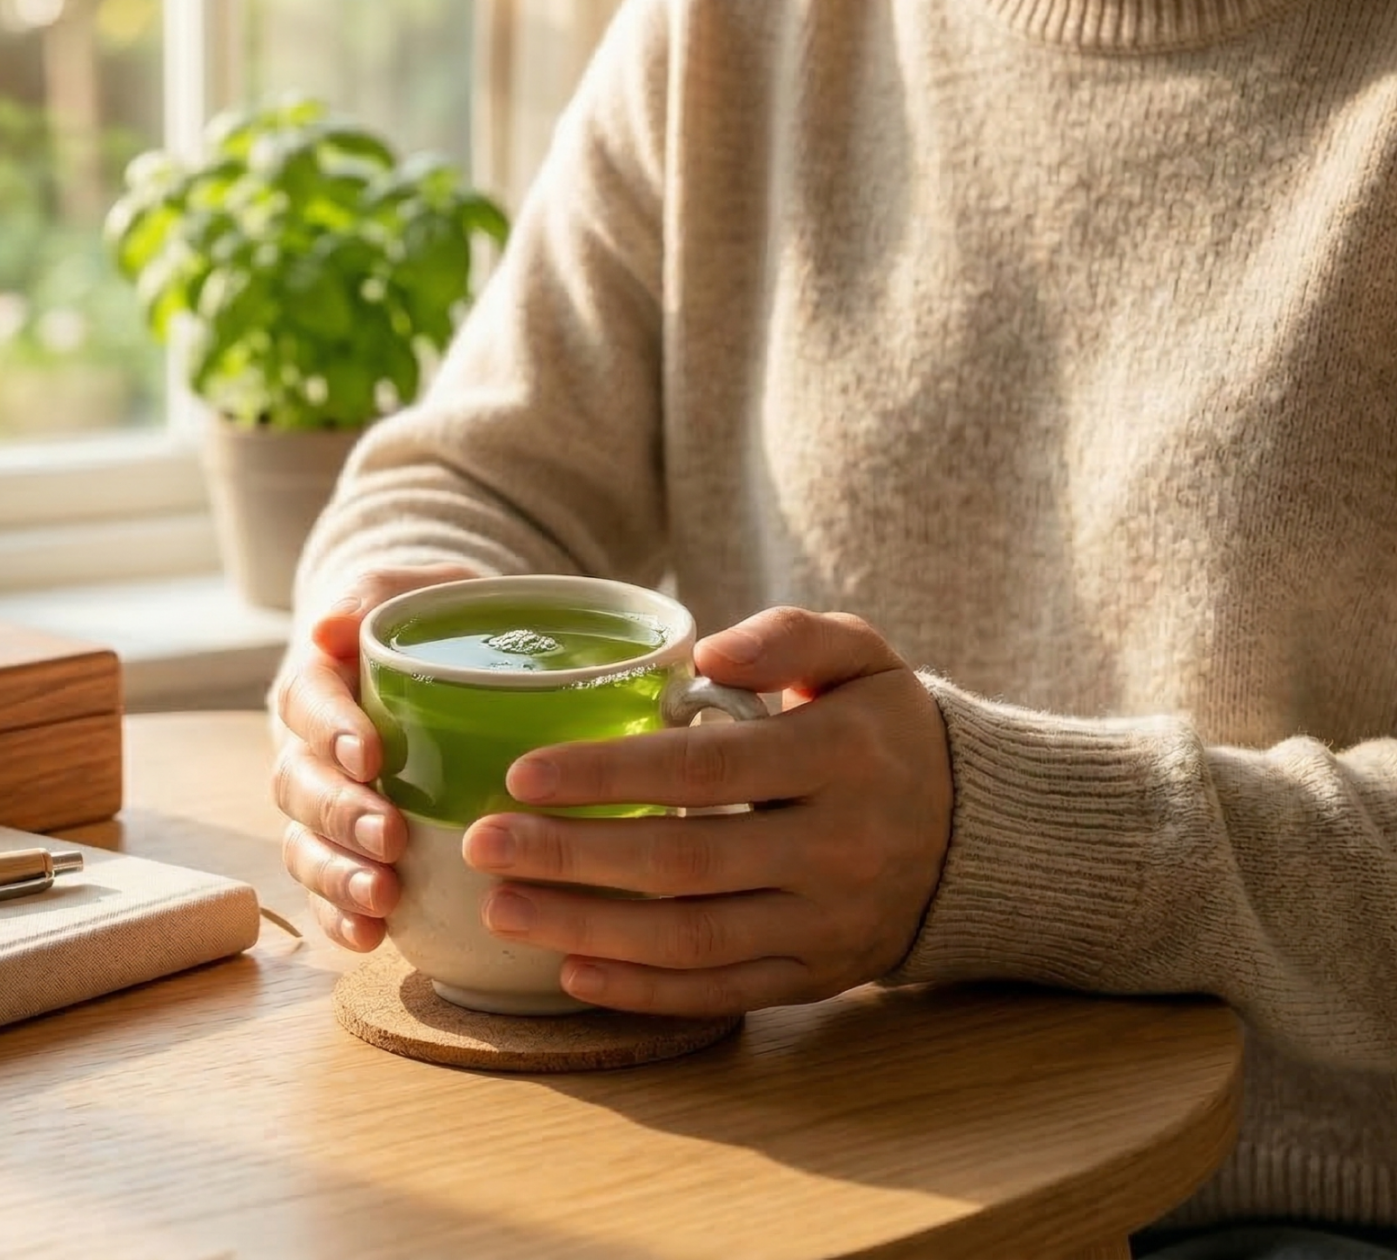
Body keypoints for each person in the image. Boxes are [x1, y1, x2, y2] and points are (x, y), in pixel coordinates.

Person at [268, 2, 1397, 1256]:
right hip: (772, 1153)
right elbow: (474, 478)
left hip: (1279, 1200)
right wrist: (379, 625)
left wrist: (1002, 838)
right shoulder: (734, 29)